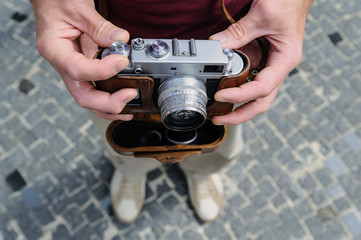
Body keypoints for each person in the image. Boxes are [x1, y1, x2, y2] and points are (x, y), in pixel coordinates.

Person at [30, 0, 312, 223]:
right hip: (109, 42)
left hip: (239, 40)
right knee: (121, 127)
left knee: (220, 134)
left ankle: (201, 170)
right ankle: (132, 169)